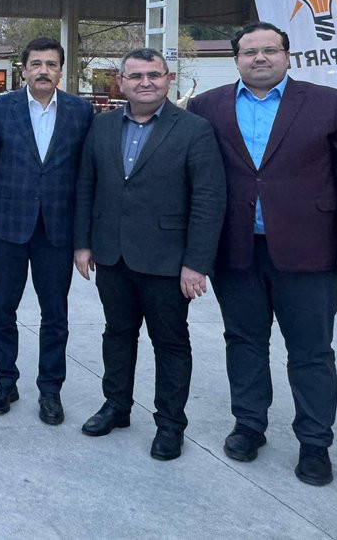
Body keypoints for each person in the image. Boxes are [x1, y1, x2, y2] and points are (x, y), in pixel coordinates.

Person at [189, 21, 337, 486]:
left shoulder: (329, 103)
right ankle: (249, 425)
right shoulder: (207, 107)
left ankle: (314, 443)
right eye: (250, 51)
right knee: (243, 342)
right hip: (236, 251)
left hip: (311, 253)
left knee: (311, 351)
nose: (260, 58)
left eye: (270, 50)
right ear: (236, 60)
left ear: (287, 55)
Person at [74, 48, 226, 461]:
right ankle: (116, 406)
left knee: (170, 343)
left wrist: (196, 263)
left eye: (154, 75)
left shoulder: (195, 130)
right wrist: (83, 243)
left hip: (168, 261)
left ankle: (170, 425)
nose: (145, 82)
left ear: (168, 79)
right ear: (121, 82)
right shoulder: (101, 126)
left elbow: (208, 200)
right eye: (136, 75)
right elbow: (86, 186)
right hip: (112, 255)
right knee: (117, 334)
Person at [0, 37, 93, 424]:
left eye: (51, 64)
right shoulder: (0, 108)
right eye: (36, 64)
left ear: (61, 70)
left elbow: (85, 178)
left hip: (57, 229)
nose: (43, 71)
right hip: (8, 225)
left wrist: (83, 238)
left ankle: (50, 390)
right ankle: (4, 382)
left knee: (55, 314)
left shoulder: (80, 111)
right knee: (3, 309)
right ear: (23, 69)